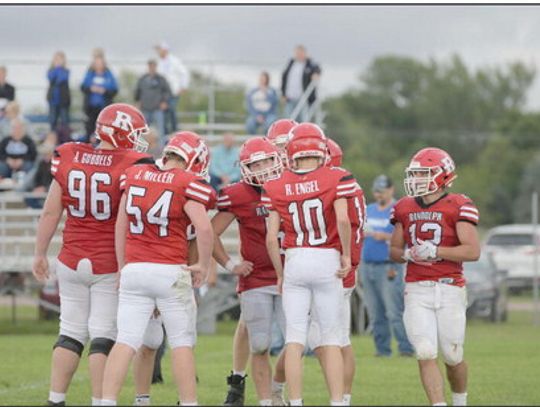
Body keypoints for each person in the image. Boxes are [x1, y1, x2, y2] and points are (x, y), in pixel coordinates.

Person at [31, 103, 152, 406]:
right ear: (120, 132)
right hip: (107, 260)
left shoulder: (70, 155)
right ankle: (100, 401)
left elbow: (50, 211)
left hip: (70, 257)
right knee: (103, 335)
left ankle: (55, 399)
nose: (138, 141)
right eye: (134, 134)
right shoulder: (131, 162)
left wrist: (39, 253)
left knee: (70, 331)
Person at [100, 133, 215, 407]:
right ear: (194, 159)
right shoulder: (187, 182)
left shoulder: (136, 174)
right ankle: (188, 403)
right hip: (169, 271)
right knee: (181, 342)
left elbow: (121, 225)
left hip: (134, 269)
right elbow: (204, 227)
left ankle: (105, 402)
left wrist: (121, 266)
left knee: (126, 341)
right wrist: (203, 264)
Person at [263, 123, 357, 406]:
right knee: (330, 338)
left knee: (294, 339)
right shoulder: (337, 177)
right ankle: (337, 401)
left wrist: (280, 273)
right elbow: (342, 219)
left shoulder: (276, 185)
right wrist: (347, 255)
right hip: (326, 257)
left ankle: (295, 400)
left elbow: (271, 238)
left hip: (295, 258)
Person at [390, 147, 480, 407]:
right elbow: (394, 251)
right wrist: (407, 253)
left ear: (442, 175)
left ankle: (460, 401)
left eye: (423, 173)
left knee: (453, 356)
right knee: (425, 351)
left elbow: (473, 251)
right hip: (417, 288)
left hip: (450, 287)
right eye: (415, 173)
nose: (417, 179)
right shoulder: (404, 207)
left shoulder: (458, 204)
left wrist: (436, 250)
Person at [213, 137, 287, 406]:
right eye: (255, 165)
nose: (264, 168)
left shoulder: (292, 185)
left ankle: (279, 390)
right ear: (245, 168)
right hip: (255, 278)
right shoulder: (238, 194)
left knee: (295, 345)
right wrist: (230, 264)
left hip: (291, 278)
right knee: (259, 344)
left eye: (267, 161)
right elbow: (209, 232)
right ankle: (265, 400)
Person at [307, 138, 366, 406]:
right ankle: (342, 397)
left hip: (337, 267)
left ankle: (341, 398)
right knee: (335, 338)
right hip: (343, 264)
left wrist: (346, 260)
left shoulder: (339, 185)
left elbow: (343, 225)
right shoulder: (346, 183)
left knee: (332, 339)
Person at [361, 175, 414, 357]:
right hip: (368, 266)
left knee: (394, 311)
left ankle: (406, 348)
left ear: (391, 190)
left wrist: (384, 236)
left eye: (382, 192)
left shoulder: (398, 210)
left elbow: (406, 237)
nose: (379, 195)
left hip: (389, 266)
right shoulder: (368, 210)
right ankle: (382, 350)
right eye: (376, 191)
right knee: (375, 313)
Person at [81, 55, 118, 142]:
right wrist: (91, 88)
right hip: (90, 109)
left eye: (100, 63)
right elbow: (83, 87)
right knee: (89, 130)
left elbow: (115, 89)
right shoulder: (89, 74)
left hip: (104, 109)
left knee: (104, 131)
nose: (98, 65)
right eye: (96, 63)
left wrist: (104, 91)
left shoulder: (109, 75)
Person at [156, 42, 190, 134]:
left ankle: (174, 132)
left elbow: (184, 73)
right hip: (162, 94)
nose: (158, 52)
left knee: (171, 111)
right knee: (164, 114)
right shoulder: (159, 62)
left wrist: (183, 86)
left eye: (160, 50)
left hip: (173, 92)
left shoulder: (174, 61)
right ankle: (166, 133)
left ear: (165, 50)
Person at [135, 59, 171, 144]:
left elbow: (167, 92)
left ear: (156, 67)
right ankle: (142, 149)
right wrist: (138, 102)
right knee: (142, 132)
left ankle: (161, 150)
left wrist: (165, 102)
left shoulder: (161, 79)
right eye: (150, 66)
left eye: (153, 66)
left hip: (157, 109)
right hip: (145, 109)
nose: (151, 68)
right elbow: (137, 92)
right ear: (148, 67)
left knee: (160, 131)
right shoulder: (143, 79)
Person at [281, 45, 321, 121]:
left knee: (304, 119)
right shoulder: (291, 63)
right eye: (297, 53)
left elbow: (317, 69)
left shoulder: (310, 64)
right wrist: (283, 93)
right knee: (289, 119)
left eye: (300, 53)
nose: (298, 55)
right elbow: (284, 78)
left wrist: (315, 73)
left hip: (303, 98)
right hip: (290, 97)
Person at [47, 51, 70, 131]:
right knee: (53, 121)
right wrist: (57, 68)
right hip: (53, 101)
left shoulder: (66, 71)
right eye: (56, 59)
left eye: (60, 59)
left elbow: (61, 79)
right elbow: (51, 78)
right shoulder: (50, 71)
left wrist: (59, 69)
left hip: (63, 101)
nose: (58, 61)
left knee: (64, 121)